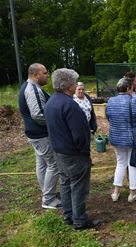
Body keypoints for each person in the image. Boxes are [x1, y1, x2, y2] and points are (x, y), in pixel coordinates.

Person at [44, 68, 100, 230]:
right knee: (79, 187)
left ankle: (68, 216)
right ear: (68, 86)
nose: (76, 85)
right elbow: (80, 135)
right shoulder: (71, 105)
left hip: (59, 152)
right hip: (74, 154)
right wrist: (84, 153)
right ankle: (80, 221)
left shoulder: (51, 102)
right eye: (74, 82)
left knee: (66, 183)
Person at [18, 63, 60, 209]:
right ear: (35, 75)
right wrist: (56, 124)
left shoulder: (31, 87)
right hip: (40, 134)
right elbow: (38, 115)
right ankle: (48, 199)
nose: (47, 75)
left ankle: (48, 193)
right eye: (45, 73)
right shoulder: (32, 89)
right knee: (54, 164)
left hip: (35, 133)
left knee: (42, 164)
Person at [106, 77, 136, 202]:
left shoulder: (111, 101)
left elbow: (108, 117)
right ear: (129, 88)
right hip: (133, 139)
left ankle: (115, 193)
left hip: (116, 138)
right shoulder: (134, 101)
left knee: (120, 163)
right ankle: (132, 193)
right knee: (133, 164)